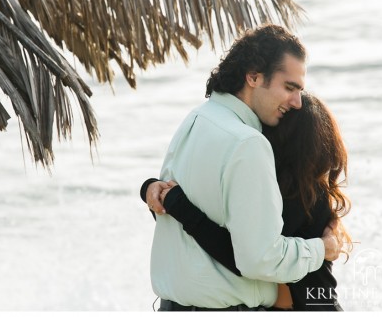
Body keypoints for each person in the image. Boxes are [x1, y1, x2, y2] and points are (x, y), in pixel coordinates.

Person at [144, 24, 342, 311]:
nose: (297, 102)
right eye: (289, 87)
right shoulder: (248, 143)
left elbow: (168, 214)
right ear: (253, 77)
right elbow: (261, 259)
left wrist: (149, 189)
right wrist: (322, 249)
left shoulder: (196, 119)